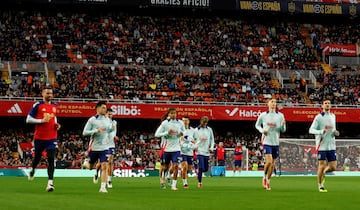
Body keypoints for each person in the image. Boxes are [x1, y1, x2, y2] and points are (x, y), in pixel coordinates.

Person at [26, 86, 61, 192]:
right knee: (37, 158)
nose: (49, 95)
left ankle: (50, 183)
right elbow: (28, 119)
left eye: (51, 93)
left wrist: (56, 124)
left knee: (51, 159)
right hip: (40, 137)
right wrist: (41, 121)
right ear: (42, 94)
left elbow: (54, 117)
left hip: (52, 137)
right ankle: (32, 169)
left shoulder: (55, 106)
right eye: (47, 93)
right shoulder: (38, 105)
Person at [82, 101, 114, 193]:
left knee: (105, 166)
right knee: (91, 167)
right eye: (103, 107)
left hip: (104, 147)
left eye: (105, 107)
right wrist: (96, 130)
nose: (105, 109)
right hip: (94, 147)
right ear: (98, 108)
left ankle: (103, 187)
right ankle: (86, 164)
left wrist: (111, 130)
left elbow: (107, 131)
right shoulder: (92, 120)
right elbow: (84, 132)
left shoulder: (107, 119)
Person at [309, 99, 339, 193]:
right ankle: (320, 185)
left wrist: (335, 133)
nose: (327, 105)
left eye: (329, 103)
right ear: (322, 106)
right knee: (321, 165)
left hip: (331, 145)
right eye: (325, 103)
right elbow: (311, 130)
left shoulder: (333, 116)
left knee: (333, 167)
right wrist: (321, 131)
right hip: (321, 145)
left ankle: (324, 172)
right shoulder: (318, 117)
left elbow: (333, 129)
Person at [255, 98, 286, 190]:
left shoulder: (280, 115)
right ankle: (264, 177)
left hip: (275, 141)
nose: (273, 103)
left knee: (272, 164)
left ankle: (268, 181)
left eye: (275, 102)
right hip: (266, 141)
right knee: (268, 161)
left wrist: (283, 125)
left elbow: (283, 130)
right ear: (268, 104)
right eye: (271, 102)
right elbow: (257, 125)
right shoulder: (263, 115)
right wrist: (262, 130)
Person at [155, 108, 185, 190]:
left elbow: (184, 133)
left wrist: (182, 134)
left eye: (175, 113)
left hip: (176, 148)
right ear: (169, 114)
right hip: (166, 148)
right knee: (164, 167)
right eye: (172, 113)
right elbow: (157, 134)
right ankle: (162, 181)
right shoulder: (165, 123)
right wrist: (166, 133)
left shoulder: (180, 123)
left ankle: (173, 185)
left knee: (175, 166)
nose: (174, 115)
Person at [93, 108, 117, 189]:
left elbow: (113, 132)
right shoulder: (103, 123)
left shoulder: (114, 122)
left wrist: (115, 136)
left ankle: (109, 180)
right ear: (106, 114)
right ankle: (96, 173)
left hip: (111, 145)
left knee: (110, 162)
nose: (110, 115)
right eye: (109, 114)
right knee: (101, 163)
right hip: (103, 144)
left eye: (111, 114)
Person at [193, 116, 215, 188]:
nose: (204, 124)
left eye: (206, 123)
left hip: (206, 152)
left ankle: (197, 171)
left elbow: (212, 139)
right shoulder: (196, 130)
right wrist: (195, 146)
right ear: (201, 122)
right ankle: (199, 182)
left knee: (206, 169)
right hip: (199, 151)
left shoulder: (209, 130)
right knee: (201, 168)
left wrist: (211, 147)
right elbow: (193, 140)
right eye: (203, 122)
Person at [180, 116, 195, 189]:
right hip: (182, 151)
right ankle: (185, 183)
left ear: (188, 121)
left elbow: (195, 140)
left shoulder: (193, 130)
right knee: (185, 167)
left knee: (189, 168)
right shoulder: (179, 130)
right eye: (183, 120)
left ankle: (182, 173)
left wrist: (193, 143)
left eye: (186, 120)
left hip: (190, 152)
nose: (184, 122)